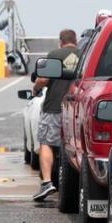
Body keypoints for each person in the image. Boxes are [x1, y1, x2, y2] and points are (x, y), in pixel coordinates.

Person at [32, 28, 80, 201]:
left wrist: (35, 89)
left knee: (47, 142)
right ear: (75, 40)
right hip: (77, 107)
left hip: (54, 106)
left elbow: (43, 79)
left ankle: (46, 183)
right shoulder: (84, 54)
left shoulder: (55, 54)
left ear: (61, 41)